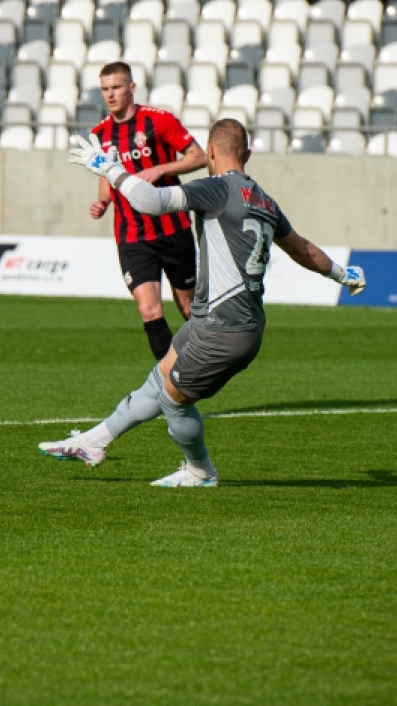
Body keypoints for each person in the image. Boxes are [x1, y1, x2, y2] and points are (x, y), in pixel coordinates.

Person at [38, 120, 367, 487]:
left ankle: (200, 471)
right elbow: (302, 249)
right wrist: (342, 273)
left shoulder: (217, 189)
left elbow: (153, 201)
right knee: (161, 375)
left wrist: (108, 169)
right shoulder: (265, 201)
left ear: (210, 153)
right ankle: (94, 441)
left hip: (224, 329)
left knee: (173, 399)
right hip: (220, 321)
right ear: (248, 155)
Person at [90, 61, 208, 362]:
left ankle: (206, 362)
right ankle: (172, 380)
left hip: (173, 228)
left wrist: (160, 169)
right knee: (148, 309)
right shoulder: (100, 134)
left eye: (116, 87)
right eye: (105, 89)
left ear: (131, 87)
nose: (110, 95)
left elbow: (199, 157)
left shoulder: (159, 121)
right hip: (132, 236)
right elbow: (108, 178)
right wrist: (103, 201)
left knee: (187, 307)